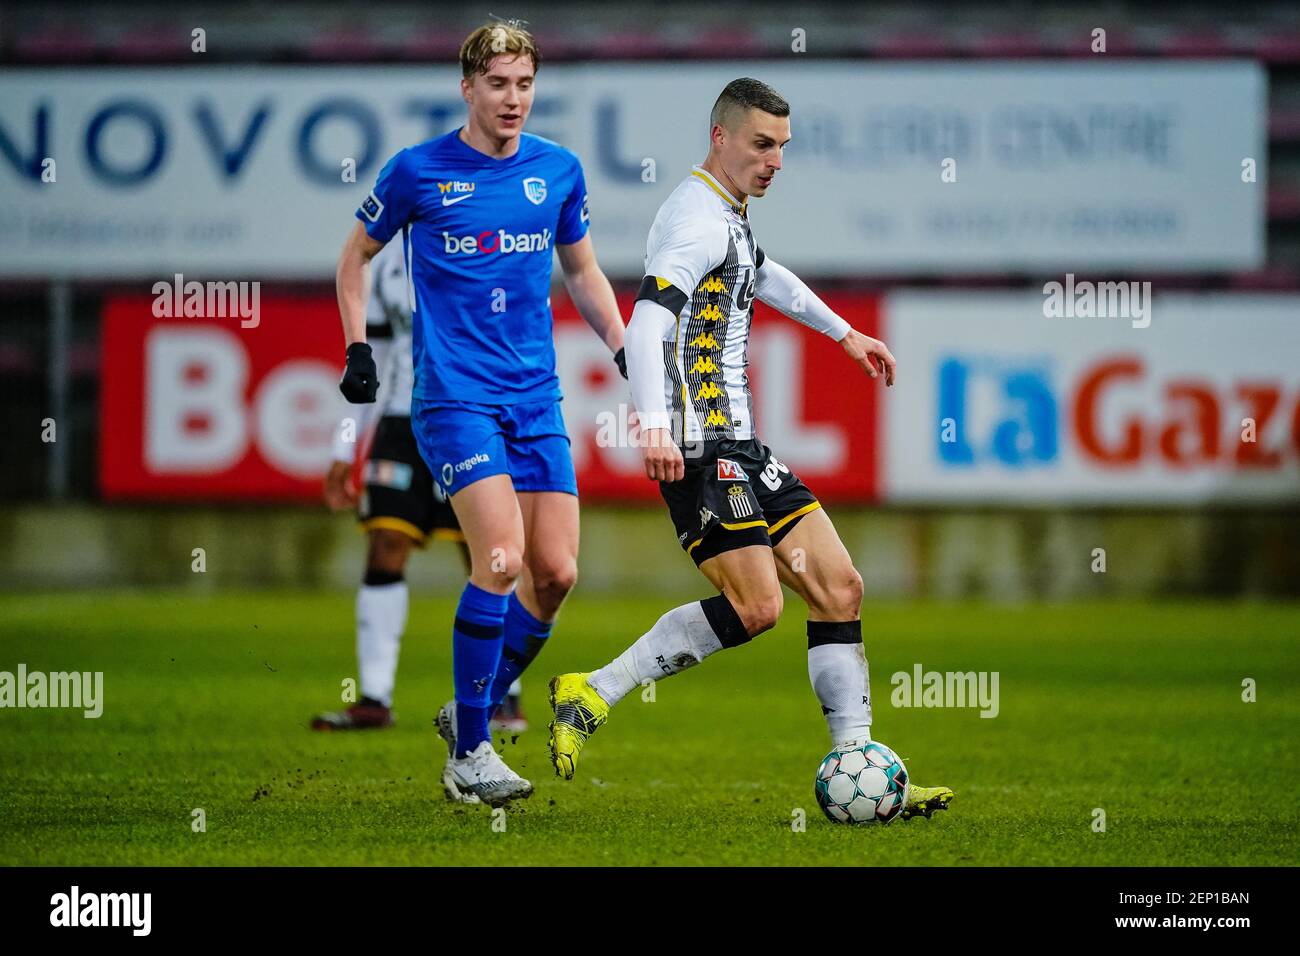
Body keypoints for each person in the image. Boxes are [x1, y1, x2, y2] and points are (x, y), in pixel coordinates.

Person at [547, 78, 954, 820]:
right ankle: (595, 689)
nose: (775, 161)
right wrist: (655, 426)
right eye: (762, 145)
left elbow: (765, 277)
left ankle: (857, 758)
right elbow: (644, 326)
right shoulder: (696, 224)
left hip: (742, 445)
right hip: (703, 451)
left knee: (840, 587)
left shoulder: (726, 219)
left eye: (783, 148)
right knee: (759, 605)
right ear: (721, 137)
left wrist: (845, 334)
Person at [336, 21, 626, 807]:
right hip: (454, 398)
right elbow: (354, 257)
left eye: (525, 84)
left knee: (557, 573)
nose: (513, 99)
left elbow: (584, 271)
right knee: (499, 559)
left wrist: (624, 345)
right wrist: (358, 348)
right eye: (498, 84)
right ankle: (472, 749)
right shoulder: (418, 171)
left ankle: (468, 706)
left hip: (536, 397)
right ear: (468, 87)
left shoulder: (557, 171)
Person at [312, 237, 527, 735]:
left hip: (468, 418)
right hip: (400, 423)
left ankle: (503, 695)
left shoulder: (486, 242)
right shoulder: (386, 261)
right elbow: (371, 360)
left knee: (489, 555)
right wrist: (345, 446)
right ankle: (374, 699)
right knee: (385, 544)